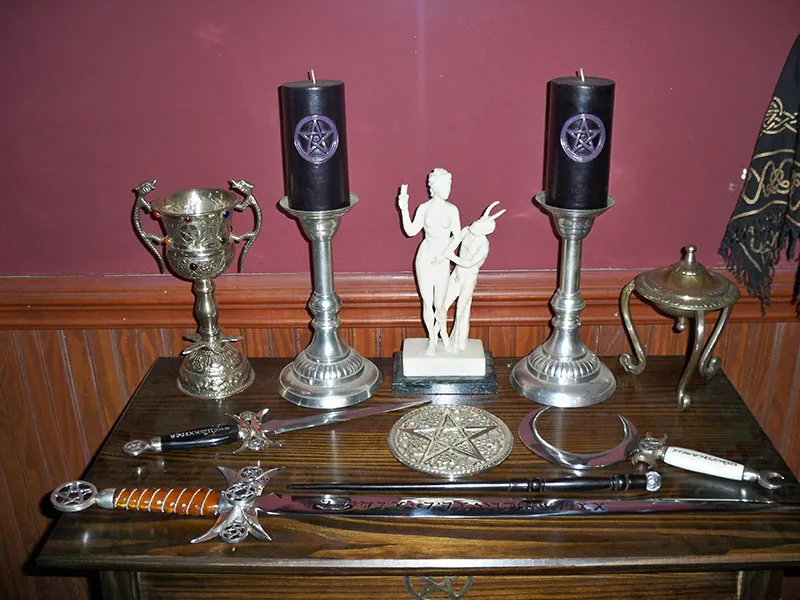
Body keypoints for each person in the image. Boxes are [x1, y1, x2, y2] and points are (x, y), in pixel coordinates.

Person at [398, 168, 461, 355]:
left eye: (449, 184)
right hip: (425, 257)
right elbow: (410, 231)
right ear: (433, 187)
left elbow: (457, 237)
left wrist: (444, 254)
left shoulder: (452, 210)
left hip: (441, 260)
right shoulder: (424, 208)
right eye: (443, 185)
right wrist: (403, 209)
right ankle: (432, 340)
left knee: (440, 305)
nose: (447, 188)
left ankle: (444, 334)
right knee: (427, 302)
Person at [443, 202, 505, 351]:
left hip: (468, 278)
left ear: (485, 231)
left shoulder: (483, 246)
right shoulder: (467, 231)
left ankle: (457, 342)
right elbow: (452, 243)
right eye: (476, 222)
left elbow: (468, 263)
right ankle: (436, 336)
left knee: (461, 309)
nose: (474, 226)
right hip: (457, 273)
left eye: (478, 226)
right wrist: (446, 250)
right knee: (442, 304)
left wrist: (451, 256)